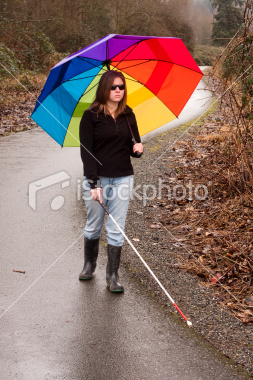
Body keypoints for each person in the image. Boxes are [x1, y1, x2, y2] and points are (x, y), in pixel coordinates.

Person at [79, 70, 143, 293]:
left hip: (123, 177)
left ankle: (112, 275)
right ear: (104, 89)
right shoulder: (91, 116)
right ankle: (89, 264)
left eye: (121, 87)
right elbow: (87, 152)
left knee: (116, 226)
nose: (118, 90)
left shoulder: (129, 114)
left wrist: (138, 150)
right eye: (114, 87)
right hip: (98, 179)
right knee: (94, 223)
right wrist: (93, 182)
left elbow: (134, 145)